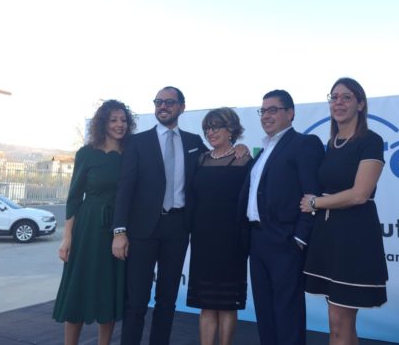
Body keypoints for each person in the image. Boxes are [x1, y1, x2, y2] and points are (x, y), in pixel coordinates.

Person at [111, 87, 248, 345]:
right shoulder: (137, 143)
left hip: (178, 228)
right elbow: (125, 188)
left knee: (167, 300)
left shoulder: (194, 143)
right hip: (142, 230)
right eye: (158, 102)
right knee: (136, 300)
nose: (163, 106)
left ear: (181, 107)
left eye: (169, 102)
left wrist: (240, 146)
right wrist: (119, 231)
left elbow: (220, 154)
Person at [299, 77, 388, 345]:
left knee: (339, 322)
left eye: (346, 97)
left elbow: (360, 194)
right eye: (334, 97)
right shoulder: (332, 143)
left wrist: (315, 203)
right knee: (340, 323)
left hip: (354, 237)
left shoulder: (371, 141)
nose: (338, 102)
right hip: (328, 236)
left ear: (360, 104)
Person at [238, 89, 325, 345]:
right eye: (263, 111)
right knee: (265, 313)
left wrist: (299, 238)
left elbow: (313, 193)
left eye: (273, 110)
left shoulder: (304, 144)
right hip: (257, 240)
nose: (266, 116)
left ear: (290, 113)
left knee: (288, 314)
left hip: (285, 241)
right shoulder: (263, 150)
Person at [53, 99, 136, 345]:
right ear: (103, 123)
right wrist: (67, 237)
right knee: (78, 288)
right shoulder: (86, 153)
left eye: (123, 120)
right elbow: (74, 198)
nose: (119, 125)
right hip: (87, 228)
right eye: (113, 120)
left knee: (108, 290)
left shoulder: (132, 153)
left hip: (119, 229)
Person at [186, 107, 252, 345]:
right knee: (206, 305)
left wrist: (242, 147)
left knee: (226, 305)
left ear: (231, 129)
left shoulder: (244, 159)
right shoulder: (201, 159)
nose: (210, 132)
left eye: (216, 127)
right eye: (207, 128)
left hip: (231, 241)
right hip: (203, 240)